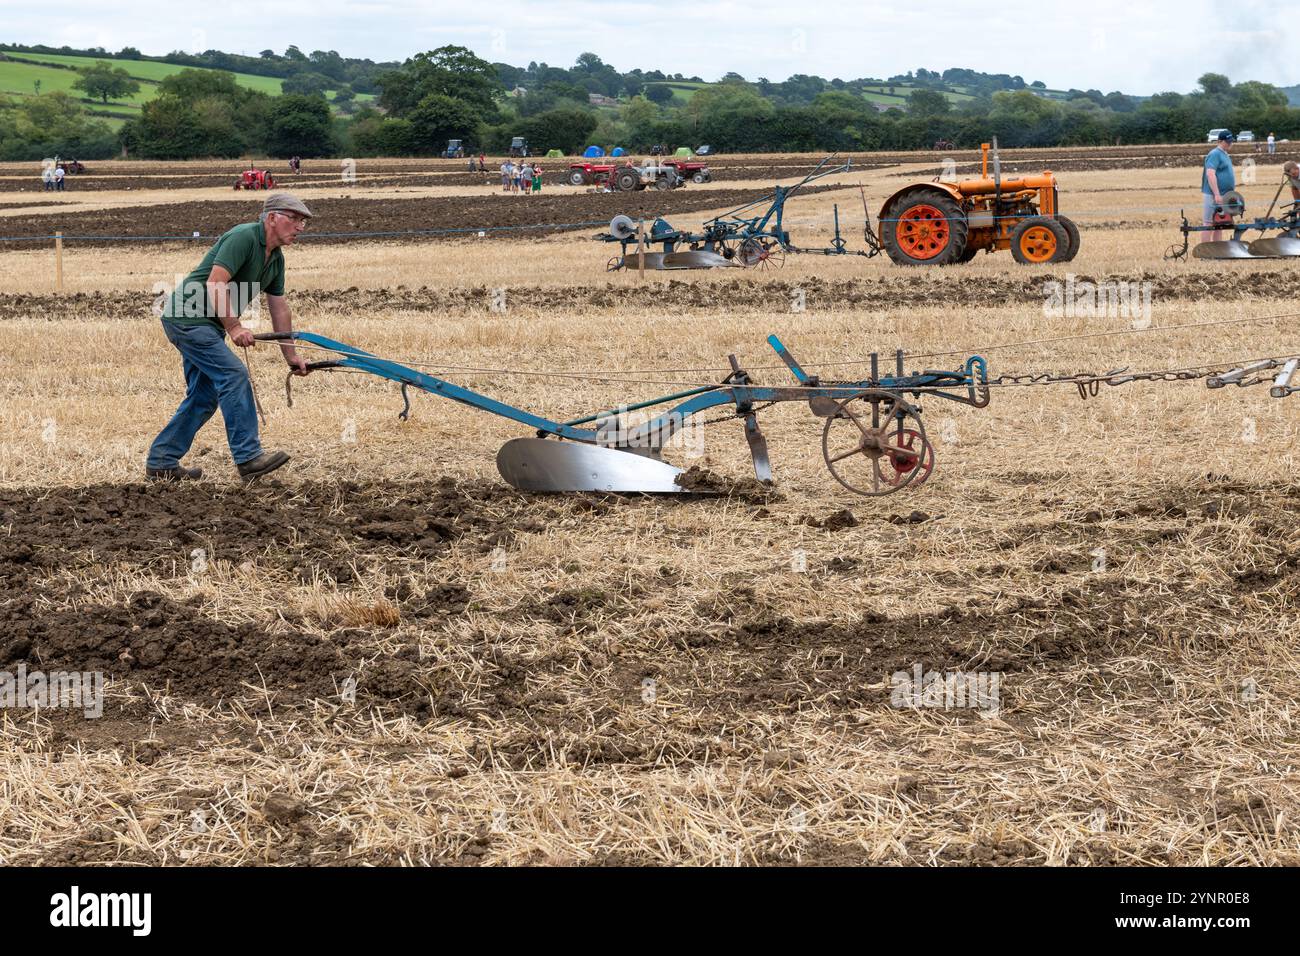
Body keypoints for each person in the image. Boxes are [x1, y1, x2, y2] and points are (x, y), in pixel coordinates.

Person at [145, 193, 314, 482]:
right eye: (294, 219)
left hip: (207, 326)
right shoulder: (243, 236)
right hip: (187, 317)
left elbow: (279, 307)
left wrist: (291, 355)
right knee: (234, 375)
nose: (300, 227)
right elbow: (215, 282)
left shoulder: (276, 260)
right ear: (272, 217)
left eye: (303, 222)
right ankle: (248, 458)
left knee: (204, 396)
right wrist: (235, 327)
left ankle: (162, 460)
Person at [1202, 131, 1235, 243]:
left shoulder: (1224, 154)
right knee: (1208, 222)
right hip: (1214, 194)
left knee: (1219, 223)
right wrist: (1216, 194)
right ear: (1220, 141)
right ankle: (1205, 251)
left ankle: (1217, 250)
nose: (1230, 144)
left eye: (1231, 142)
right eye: (1227, 142)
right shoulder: (1215, 154)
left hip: (1223, 195)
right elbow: (1210, 173)